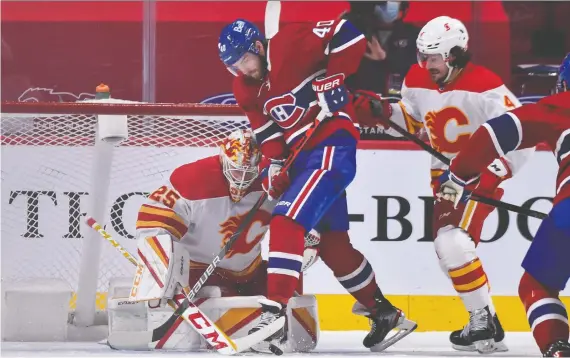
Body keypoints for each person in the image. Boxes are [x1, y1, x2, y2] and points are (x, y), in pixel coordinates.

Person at [217, 19, 416, 353]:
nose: (241, 70)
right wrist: (274, 167)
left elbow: (348, 33)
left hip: (331, 146)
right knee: (333, 246)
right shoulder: (245, 88)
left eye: (244, 60)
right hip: (303, 158)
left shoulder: (289, 44)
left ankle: (276, 309)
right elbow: (268, 136)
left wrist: (336, 74)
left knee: (286, 220)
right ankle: (384, 311)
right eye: (232, 66)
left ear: (259, 47)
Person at [361, 15, 536, 353]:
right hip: (443, 180)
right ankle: (486, 323)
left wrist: (490, 173)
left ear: (455, 54)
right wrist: (381, 111)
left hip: (478, 178)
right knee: (446, 250)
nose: (426, 64)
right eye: (422, 56)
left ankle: (483, 322)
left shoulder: (486, 87)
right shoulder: (416, 78)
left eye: (434, 57)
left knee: (453, 242)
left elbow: (524, 137)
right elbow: (414, 118)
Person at [112, 129, 321, 351]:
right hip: (200, 271)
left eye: (248, 172)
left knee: (286, 304)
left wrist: (311, 244)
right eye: (236, 171)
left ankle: (266, 332)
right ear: (223, 158)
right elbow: (153, 224)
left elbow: (306, 218)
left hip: (250, 269)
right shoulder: (192, 179)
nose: (241, 179)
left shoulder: (274, 180)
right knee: (223, 302)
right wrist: (163, 271)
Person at [437, 53, 570, 357]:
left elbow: (492, 133)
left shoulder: (559, 106)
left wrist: (457, 177)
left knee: (536, 286)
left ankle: (557, 349)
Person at [342, 1, 419, 95]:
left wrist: (385, 57)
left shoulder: (413, 34)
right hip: (363, 99)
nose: (387, 4)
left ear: (403, 6)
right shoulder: (359, 31)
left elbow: (417, 69)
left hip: (398, 99)